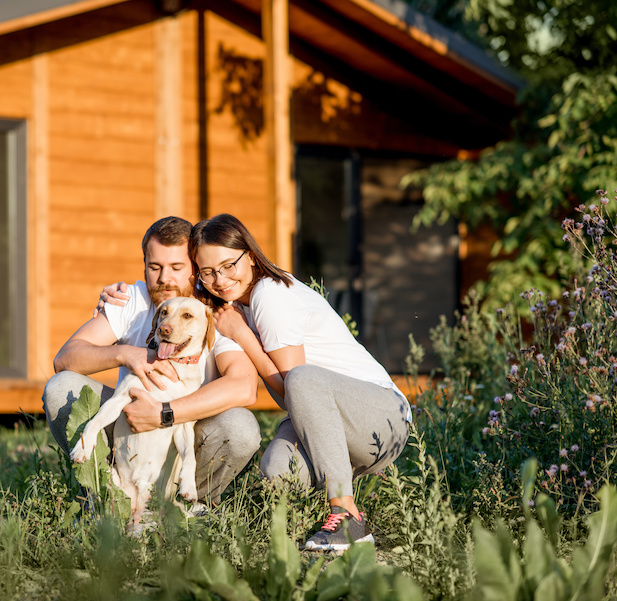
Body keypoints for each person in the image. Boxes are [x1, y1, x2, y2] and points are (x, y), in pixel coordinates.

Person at [100, 214, 411, 552]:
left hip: (380, 415)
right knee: (277, 474)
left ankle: (347, 514)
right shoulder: (233, 302)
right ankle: (311, 517)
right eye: (208, 271)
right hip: (337, 424)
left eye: (229, 265)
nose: (220, 279)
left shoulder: (269, 295)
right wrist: (120, 291)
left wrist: (243, 336)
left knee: (302, 378)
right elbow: (177, 289)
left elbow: (292, 390)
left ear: (249, 254)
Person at [43, 216, 262, 506]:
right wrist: (126, 354)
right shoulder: (130, 300)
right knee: (62, 386)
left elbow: (244, 387)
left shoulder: (215, 313)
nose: (163, 279)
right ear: (144, 264)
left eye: (176, 268)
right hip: (126, 425)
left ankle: (187, 504)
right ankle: (107, 498)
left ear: (195, 269)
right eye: (155, 267)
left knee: (240, 427)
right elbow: (65, 358)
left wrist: (164, 412)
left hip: (186, 432)